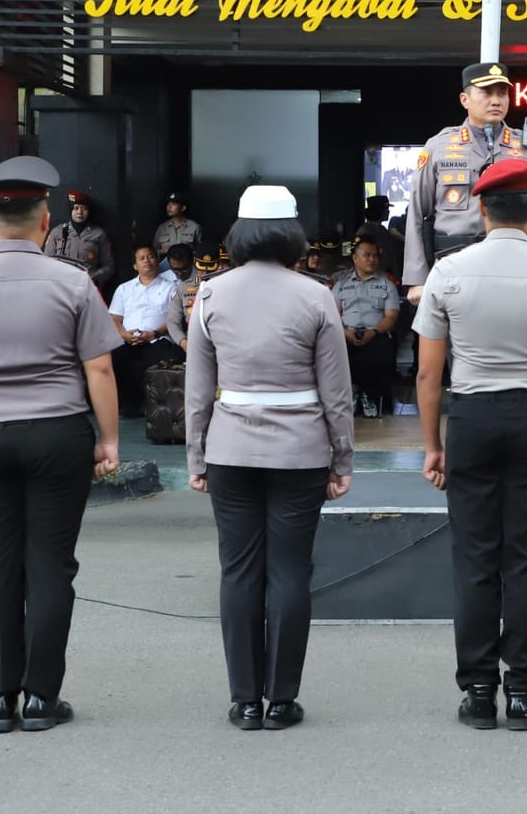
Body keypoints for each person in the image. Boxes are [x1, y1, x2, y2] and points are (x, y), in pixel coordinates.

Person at [0, 155, 125, 735]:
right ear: (45, 221)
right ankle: (39, 698)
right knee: (51, 566)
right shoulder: (73, 281)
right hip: (58, 434)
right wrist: (108, 440)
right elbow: (101, 370)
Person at [414, 157, 527, 732]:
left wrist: (432, 445)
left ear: (480, 208)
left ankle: (478, 691)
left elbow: (426, 376)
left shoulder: (448, 272)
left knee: (474, 557)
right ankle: (522, 692)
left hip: (470, 419)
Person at [185, 185, 355, 731]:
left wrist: (197, 455)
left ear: (239, 235)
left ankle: (245, 701)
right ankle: (281, 699)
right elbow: (337, 393)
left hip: (231, 449)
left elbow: (196, 389)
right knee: (288, 571)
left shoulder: (210, 294)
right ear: (291, 235)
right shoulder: (317, 296)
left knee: (237, 570)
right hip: (301, 451)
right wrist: (342, 459)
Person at [403, 61, 527, 304]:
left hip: (513, 261)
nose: (496, 100)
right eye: (486, 93)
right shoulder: (439, 146)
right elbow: (417, 212)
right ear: (464, 99)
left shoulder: (526, 145)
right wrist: (418, 278)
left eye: (502, 93)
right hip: (455, 261)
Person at [109, 245, 184, 417]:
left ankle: (156, 408)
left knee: (166, 358)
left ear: (157, 261)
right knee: (114, 358)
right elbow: (114, 318)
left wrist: (154, 333)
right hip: (128, 340)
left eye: (150, 257)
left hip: (158, 338)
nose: (146, 261)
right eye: (141, 258)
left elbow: (174, 319)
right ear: (135, 265)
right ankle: (127, 406)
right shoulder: (124, 288)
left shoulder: (171, 288)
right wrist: (123, 334)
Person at [330, 235, 401, 418]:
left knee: (381, 350)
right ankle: (352, 394)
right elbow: (331, 315)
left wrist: (374, 332)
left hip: (376, 334)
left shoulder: (387, 284)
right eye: (367, 255)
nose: (372, 259)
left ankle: (371, 397)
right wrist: (345, 332)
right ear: (355, 258)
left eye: (375, 255)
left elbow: (391, 316)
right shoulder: (340, 285)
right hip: (346, 334)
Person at [44, 190, 117, 294]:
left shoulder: (98, 234)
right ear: (70, 210)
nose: (80, 212)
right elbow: (46, 262)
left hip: (87, 289)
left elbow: (109, 266)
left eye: (84, 208)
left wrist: (93, 277)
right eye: (76, 208)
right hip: (61, 289)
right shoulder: (57, 232)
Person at [357, 195, 405, 283]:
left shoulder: (382, 230)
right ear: (379, 211)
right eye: (386, 208)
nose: (388, 211)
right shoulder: (366, 232)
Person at [154, 191, 204, 256]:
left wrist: (185, 253)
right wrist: (162, 251)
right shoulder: (162, 227)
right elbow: (153, 251)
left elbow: (200, 252)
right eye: (168, 204)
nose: (169, 207)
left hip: (187, 264)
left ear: (183, 208)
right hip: (165, 265)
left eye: (173, 204)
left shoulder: (194, 227)